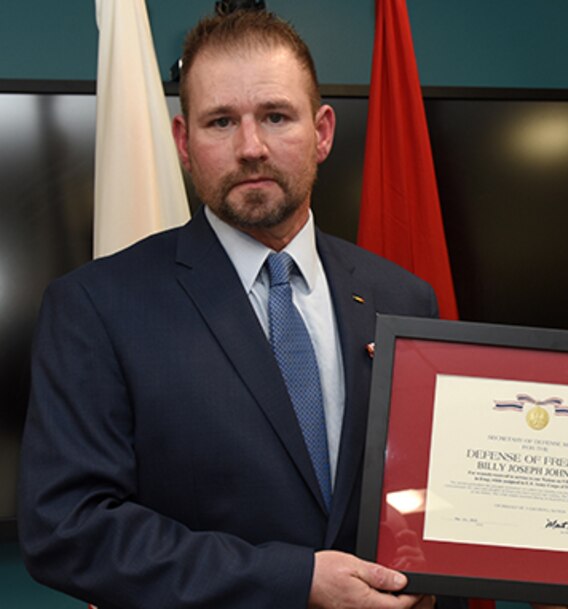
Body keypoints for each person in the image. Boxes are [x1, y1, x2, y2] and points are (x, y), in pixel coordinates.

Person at [19, 10, 438, 609]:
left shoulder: (404, 298)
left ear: (321, 132)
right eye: (221, 122)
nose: (251, 148)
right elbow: (68, 527)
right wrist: (293, 581)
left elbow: (432, 490)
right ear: (184, 143)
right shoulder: (96, 306)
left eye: (275, 116)